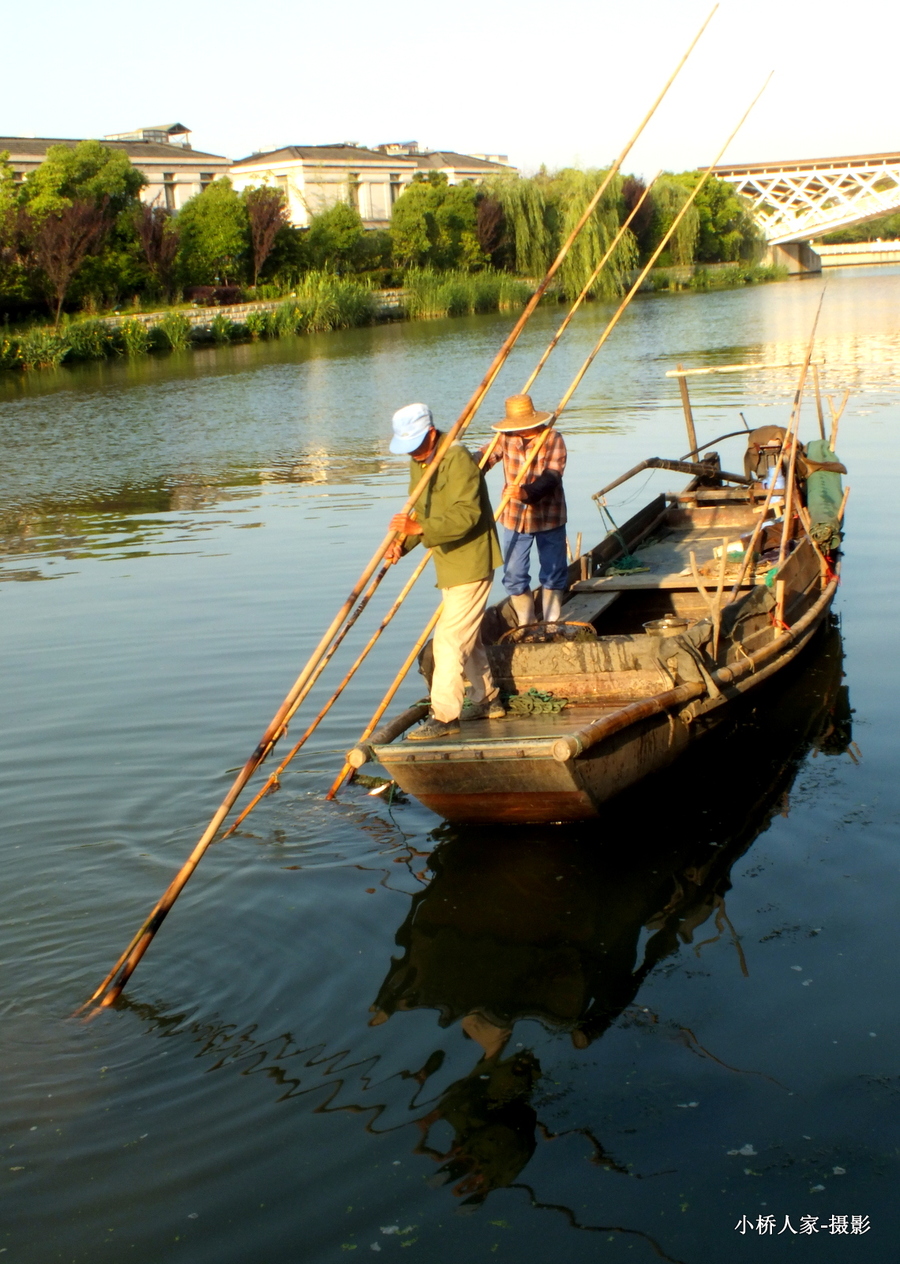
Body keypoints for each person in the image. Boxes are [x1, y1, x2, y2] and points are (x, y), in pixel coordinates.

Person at [386, 402, 505, 740]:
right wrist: (401, 543)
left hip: (470, 561)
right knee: (468, 638)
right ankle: (487, 699)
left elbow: (466, 515)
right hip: (448, 563)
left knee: (449, 641)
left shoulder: (457, 459)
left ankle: (445, 716)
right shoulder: (419, 462)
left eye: (418, 447)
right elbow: (419, 514)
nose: (414, 455)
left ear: (432, 434)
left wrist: (414, 530)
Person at [479, 393, 568, 626]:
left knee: (553, 572)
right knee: (514, 575)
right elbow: (484, 459)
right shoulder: (505, 437)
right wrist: (465, 465)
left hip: (550, 515)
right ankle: (526, 624)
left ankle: (551, 624)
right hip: (515, 517)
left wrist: (526, 493)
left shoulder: (552, 438)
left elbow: (552, 476)